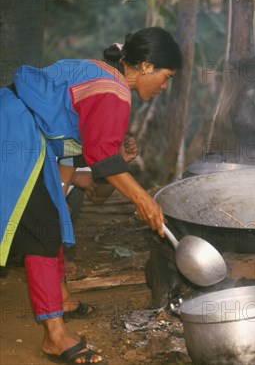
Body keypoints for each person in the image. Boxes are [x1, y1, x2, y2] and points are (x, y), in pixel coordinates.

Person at [0, 27, 182, 364]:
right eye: (165, 76)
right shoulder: (114, 91)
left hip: (19, 129)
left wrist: (104, 166)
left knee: (49, 222)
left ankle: (63, 300)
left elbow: (72, 148)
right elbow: (101, 160)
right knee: (42, 234)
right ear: (145, 66)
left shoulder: (102, 73)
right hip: (15, 136)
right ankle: (54, 337)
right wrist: (143, 199)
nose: (163, 87)